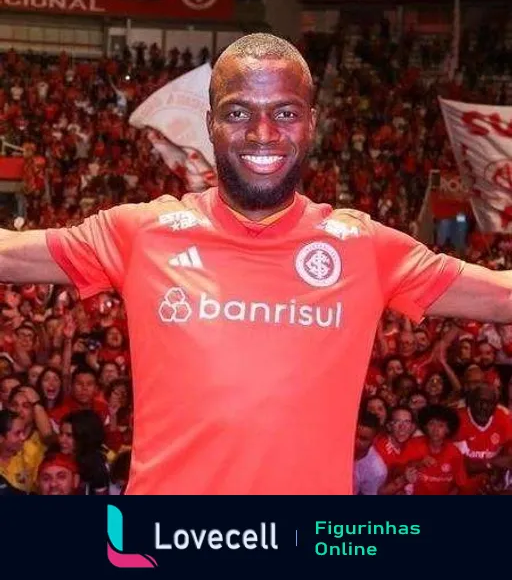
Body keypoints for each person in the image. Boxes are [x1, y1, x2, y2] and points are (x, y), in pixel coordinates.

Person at [0, 33, 512, 495]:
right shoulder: (142, 233)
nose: (262, 132)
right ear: (211, 124)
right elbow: (11, 256)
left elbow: (501, 294)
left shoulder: (364, 248)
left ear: (312, 122)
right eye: (238, 112)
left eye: (285, 112)